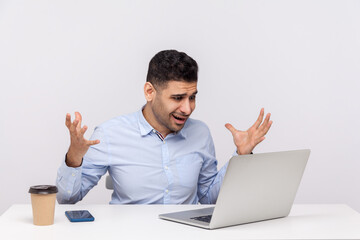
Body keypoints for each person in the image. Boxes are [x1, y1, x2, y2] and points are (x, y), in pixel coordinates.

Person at [56, 50, 272, 204]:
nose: (187, 108)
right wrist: (74, 157)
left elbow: (207, 197)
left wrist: (242, 155)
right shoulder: (110, 134)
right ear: (150, 92)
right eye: (178, 98)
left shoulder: (200, 133)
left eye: (192, 97)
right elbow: (67, 198)